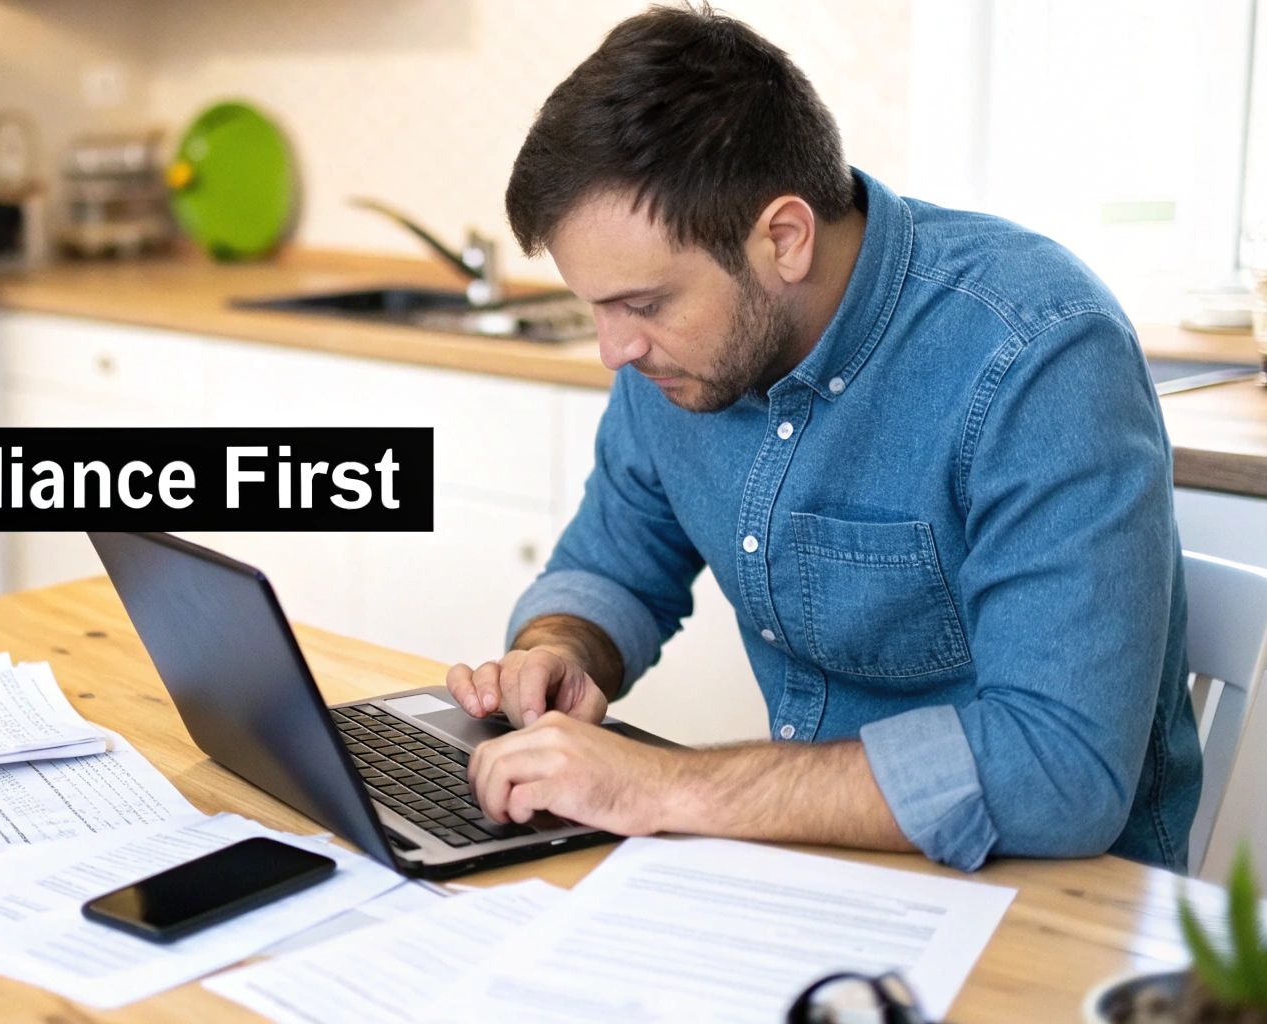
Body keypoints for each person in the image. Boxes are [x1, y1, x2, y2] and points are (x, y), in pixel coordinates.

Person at [446, 4, 1199, 873]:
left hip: (1044, 906)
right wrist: (558, 650)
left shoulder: (1039, 350)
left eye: (643, 305)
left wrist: (663, 785)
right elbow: (611, 566)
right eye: (598, 307)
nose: (614, 348)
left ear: (784, 239)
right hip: (809, 870)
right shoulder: (677, 362)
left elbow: (1059, 770)